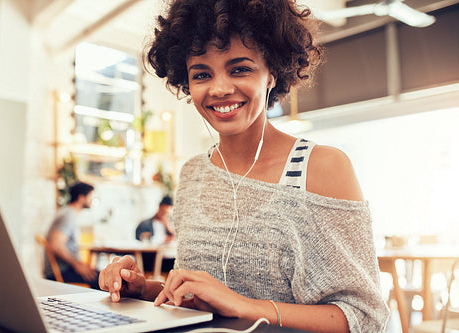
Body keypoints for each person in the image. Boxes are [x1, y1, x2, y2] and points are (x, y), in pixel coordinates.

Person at [99, 0, 390, 332]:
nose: (220, 88)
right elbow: (196, 300)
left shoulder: (321, 167)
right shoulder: (193, 174)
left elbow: (365, 318)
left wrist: (243, 306)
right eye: (202, 74)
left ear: (272, 74)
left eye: (240, 69)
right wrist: (141, 288)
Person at [44, 182, 100, 289]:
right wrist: (78, 265)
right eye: (90, 196)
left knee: (102, 276)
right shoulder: (68, 215)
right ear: (81, 198)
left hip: (65, 270)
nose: (92, 200)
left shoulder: (68, 212)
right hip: (61, 272)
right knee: (103, 280)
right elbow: (56, 245)